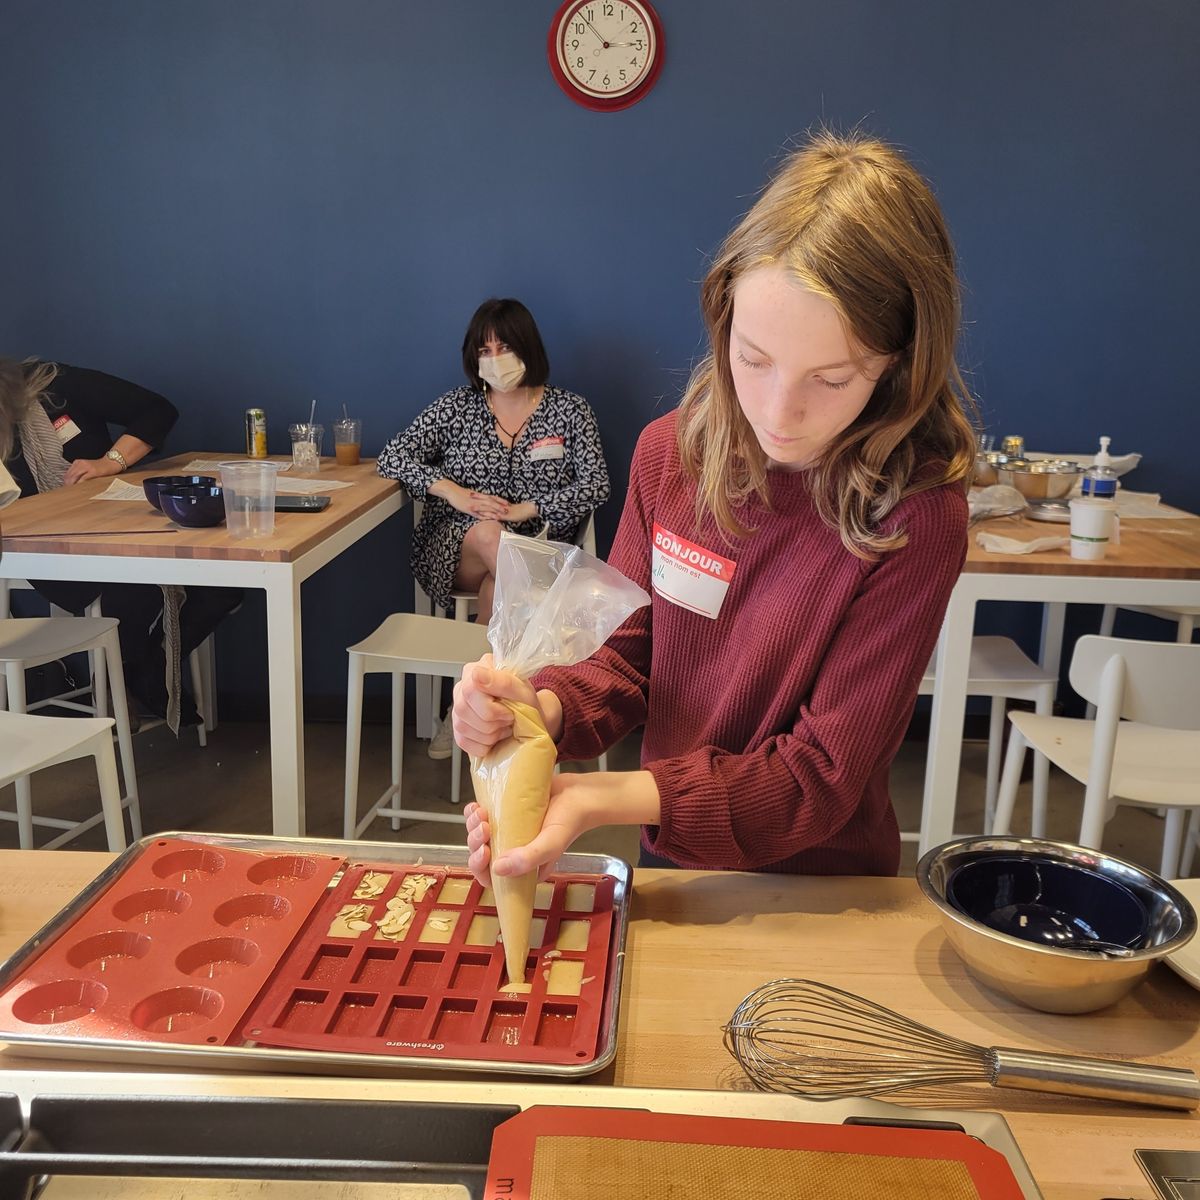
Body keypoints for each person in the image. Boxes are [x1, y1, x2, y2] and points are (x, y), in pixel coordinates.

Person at [454, 131, 977, 880]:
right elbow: (631, 659)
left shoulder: (914, 518)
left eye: (830, 379)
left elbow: (819, 777)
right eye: (754, 359)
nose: (780, 412)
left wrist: (596, 798)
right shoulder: (671, 455)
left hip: (821, 890)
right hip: (672, 854)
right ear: (723, 316)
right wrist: (539, 711)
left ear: (898, 365)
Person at [377, 297, 611, 757]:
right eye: (483, 351)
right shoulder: (457, 409)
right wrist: (451, 491)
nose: (494, 359)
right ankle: (526, 702)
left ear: (527, 348)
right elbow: (392, 457)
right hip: (456, 545)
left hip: (539, 548)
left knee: (495, 588)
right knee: (488, 539)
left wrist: (528, 508)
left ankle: (471, 706)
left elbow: (596, 484)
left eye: (503, 347)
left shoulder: (569, 410)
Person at [0, 357, 241, 730]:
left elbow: (157, 411)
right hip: (47, 552)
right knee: (133, 587)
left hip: (117, 525)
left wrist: (110, 461)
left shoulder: (54, 382)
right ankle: (134, 677)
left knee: (226, 583)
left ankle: (135, 673)